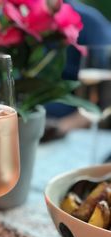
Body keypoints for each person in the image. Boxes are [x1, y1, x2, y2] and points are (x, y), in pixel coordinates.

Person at [44, 0, 111, 138]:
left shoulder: (90, 24)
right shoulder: (18, 22)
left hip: (72, 136)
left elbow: (104, 96)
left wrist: (60, 128)